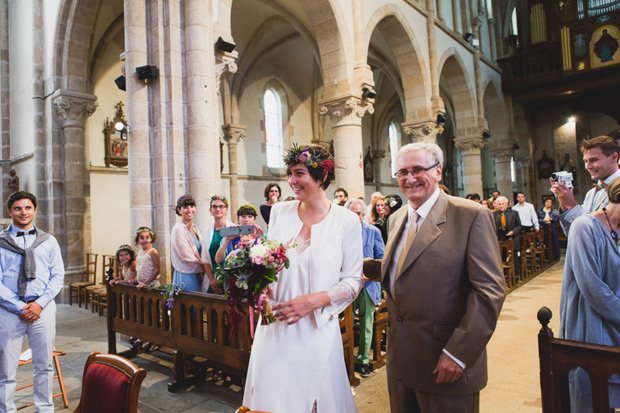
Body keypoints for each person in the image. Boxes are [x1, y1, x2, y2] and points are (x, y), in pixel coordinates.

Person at [363, 142, 505, 413]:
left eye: (418, 169)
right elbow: (404, 266)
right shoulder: (398, 218)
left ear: (438, 171)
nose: (410, 178)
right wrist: (351, 266)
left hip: (445, 359)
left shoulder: (469, 215)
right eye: (402, 172)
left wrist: (459, 353)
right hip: (402, 359)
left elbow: (489, 292)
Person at [242, 144, 363, 412]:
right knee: (271, 396)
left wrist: (311, 302)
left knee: (314, 398)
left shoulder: (346, 221)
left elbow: (353, 282)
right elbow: (268, 266)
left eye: (299, 173)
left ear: (321, 178)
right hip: (275, 323)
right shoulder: (279, 212)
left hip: (316, 325)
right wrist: (261, 291)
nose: (291, 181)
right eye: (289, 174)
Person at [559, 177, 620, 412]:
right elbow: (592, 288)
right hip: (590, 322)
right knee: (592, 393)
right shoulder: (584, 227)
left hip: (615, 318)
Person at [0, 191, 64, 412]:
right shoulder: (1, 243)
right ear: (9, 212)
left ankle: (44, 409)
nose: (23, 212)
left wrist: (39, 304)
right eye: (17, 208)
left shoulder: (49, 241)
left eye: (27, 208)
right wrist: (19, 307)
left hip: (42, 309)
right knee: (6, 369)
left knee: (44, 366)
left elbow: (57, 276)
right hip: (9, 311)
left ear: (35, 210)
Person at [346, 199, 384, 378]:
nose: (356, 216)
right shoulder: (341, 233)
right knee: (348, 323)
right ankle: (346, 360)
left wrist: (369, 274)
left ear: (364, 215)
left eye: (359, 213)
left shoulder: (372, 231)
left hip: (368, 284)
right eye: (353, 213)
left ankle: (362, 360)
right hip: (347, 285)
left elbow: (382, 258)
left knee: (367, 324)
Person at [552, 135, 620, 235]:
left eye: (594, 160)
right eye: (585, 161)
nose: (588, 167)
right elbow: (575, 233)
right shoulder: (591, 193)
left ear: (614, 157)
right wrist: (564, 203)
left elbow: (606, 232)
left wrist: (571, 204)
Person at [170, 195, 214, 292]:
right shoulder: (178, 229)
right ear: (179, 210)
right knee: (189, 305)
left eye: (192, 206)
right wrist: (207, 266)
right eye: (185, 207)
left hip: (197, 272)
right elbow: (187, 256)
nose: (189, 210)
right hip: (186, 274)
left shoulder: (194, 227)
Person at [200, 195, 230, 294]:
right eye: (214, 207)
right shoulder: (206, 233)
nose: (218, 209)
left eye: (221, 206)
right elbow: (205, 260)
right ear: (210, 210)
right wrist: (213, 281)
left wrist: (222, 280)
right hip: (213, 282)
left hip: (231, 280)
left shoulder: (233, 229)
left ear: (226, 209)